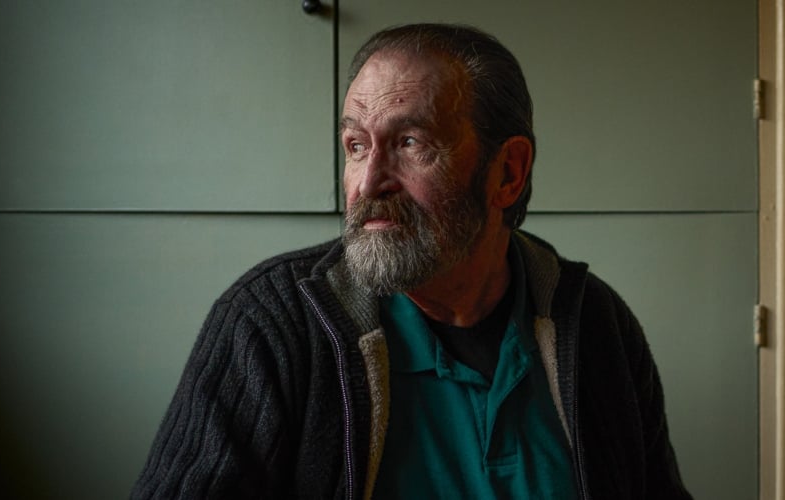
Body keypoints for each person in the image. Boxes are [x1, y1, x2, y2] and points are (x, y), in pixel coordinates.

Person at [132, 23, 692, 500]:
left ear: (508, 173)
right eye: (356, 146)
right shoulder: (270, 324)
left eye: (411, 143)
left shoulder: (597, 326)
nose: (368, 182)